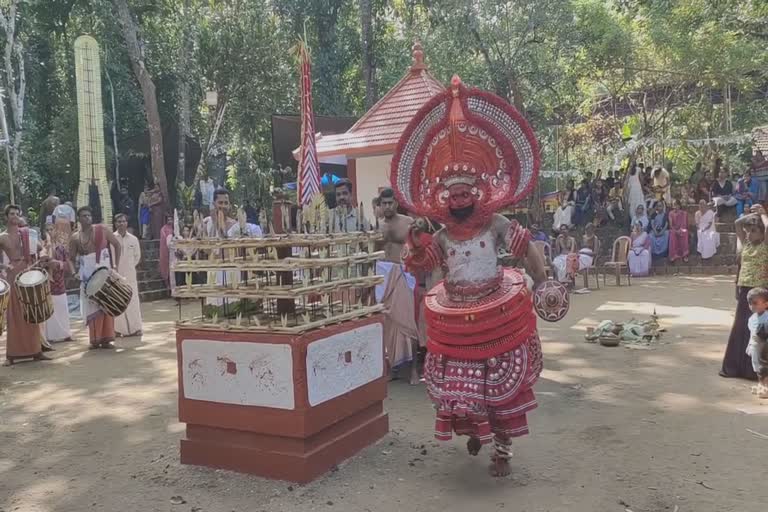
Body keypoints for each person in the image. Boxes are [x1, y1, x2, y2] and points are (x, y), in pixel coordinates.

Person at [395, 77, 550, 477]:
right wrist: (414, 245)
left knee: (499, 388)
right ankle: (474, 430)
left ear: (477, 195)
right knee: (460, 386)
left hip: (496, 315)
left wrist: (544, 280)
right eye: (453, 197)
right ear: (445, 200)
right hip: (457, 318)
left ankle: (502, 449)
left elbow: (525, 247)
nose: (460, 202)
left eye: (466, 195)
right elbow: (420, 264)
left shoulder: (496, 223)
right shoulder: (442, 236)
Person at [374, 188, 421, 384]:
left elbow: (419, 248)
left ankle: (414, 371)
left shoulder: (408, 223)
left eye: (390, 203)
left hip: (403, 275)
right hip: (383, 275)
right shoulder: (377, 226)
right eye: (383, 203)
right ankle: (393, 368)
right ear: (380, 204)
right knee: (388, 324)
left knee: (408, 324)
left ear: (396, 203)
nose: (387, 206)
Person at [721, 206, 768, 380]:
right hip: (745, 291)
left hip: (760, 291)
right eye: (748, 231)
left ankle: (756, 371)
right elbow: (736, 223)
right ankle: (736, 368)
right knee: (741, 327)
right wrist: (751, 216)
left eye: (754, 231)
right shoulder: (746, 245)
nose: (749, 234)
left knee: (758, 331)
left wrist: (763, 214)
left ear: (762, 233)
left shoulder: (765, 245)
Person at [0, 205, 49, 365]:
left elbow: (41, 249)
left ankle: (37, 350)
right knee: (14, 313)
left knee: (32, 308)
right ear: (6, 217)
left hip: (30, 272)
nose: (15, 216)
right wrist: (4, 267)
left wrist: (42, 257)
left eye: (17, 213)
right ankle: (12, 355)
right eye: (12, 213)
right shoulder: (2, 237)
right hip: (13, 274)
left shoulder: (27, 234)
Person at [70, 206, 122, 349]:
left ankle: (107, 338)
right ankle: (95, 339)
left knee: (107, 302)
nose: (87, 218)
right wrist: (73, 271)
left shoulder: (102, 230)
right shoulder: (75, 237)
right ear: (78, 219)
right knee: (92, 305)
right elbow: (70, 258)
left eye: (89, 215)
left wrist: (115, 265)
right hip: (87, 276)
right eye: (84, 216)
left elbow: (117, 245)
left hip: (104, 272)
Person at [43, 215, 74, 343]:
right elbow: (39, 263)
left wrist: (59, 264)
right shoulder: (42, 248)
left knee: (61, 307)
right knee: (50, 310)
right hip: (47, 284)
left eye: (52, 229)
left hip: (59, 283)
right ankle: (50, 336)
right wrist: (46, 263)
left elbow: (68, 264)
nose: (50, 232)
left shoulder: (61, 247)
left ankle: (65, 334)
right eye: (48, 230)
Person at [114, 213, 142, 337]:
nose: (121, 223)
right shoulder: (112, 239)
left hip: (130, 274)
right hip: (116, 275)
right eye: (119, 221)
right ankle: (118, 330)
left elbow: (137, 257)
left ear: (127, 223)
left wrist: (129, 267)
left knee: (133, 301)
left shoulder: (133, 239)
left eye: (123, 221)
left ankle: (136, 328)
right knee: (117, 301)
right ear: (115, 224)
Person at [745, 288, 768, 397]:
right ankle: (761, 385)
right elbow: (752, 333)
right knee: (757, 367)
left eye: (755, 303)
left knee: (764, 367)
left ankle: (766, 387)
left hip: (765, 348)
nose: (752, 306)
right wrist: (750, 345)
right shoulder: (751, 319)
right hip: (756, 347)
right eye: (750, 303)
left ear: (766, 304)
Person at [667, 199, 689, 263]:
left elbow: (684, 224)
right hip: (674, 229)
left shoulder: (684, 213)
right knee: (672, 233)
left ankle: (685, 255)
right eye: (674, 205)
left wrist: (680, 230)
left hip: (681, 229)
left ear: (679, 205)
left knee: (684, 232)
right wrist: (676, 231)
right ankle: (673, 255)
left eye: (676, 205)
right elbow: (671, 225)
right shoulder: (671, 213)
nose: (675, 206)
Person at [159, 213, 174, 287]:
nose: (170, 221)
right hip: (166, 251)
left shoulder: (175, 228)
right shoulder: (163, 229)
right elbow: (164, 241)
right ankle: (167, 285)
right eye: (168, 220)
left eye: (171, 219)